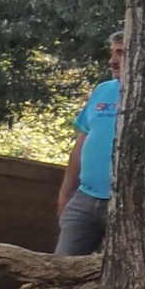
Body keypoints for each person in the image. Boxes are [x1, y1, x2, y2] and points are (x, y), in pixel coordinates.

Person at [51, 29, 123, 256]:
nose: (112, 61)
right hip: (85, 197)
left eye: (121, 53)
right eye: (112, 53)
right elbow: (81, 143)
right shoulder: (103, 90)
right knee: (60, 269)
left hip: (125, 203)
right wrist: (66, 194)